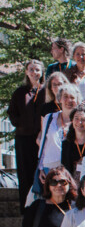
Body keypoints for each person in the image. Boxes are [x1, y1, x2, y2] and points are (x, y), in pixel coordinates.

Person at [8, 59, 45, 205]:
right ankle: (26, 208)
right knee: (25, 173)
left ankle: (41, 207)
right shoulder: (20, 92)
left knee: (42, 172)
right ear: (26, 72)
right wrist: (21, 123)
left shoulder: (46, 91)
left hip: (42, 139)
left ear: (42, 72)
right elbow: (12, 113)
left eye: (37, 70)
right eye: (31, 69)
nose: (34, 72)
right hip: (23, 138)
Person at [60, 106, 85, 179]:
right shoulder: (66, 144)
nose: (79, 122)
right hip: (72, 182)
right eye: (76, 118)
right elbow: (65, 169)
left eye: (83, 119)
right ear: (72, 121)